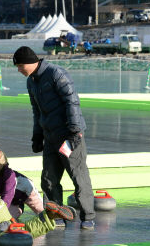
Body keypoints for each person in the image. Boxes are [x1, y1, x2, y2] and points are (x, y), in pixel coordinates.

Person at [13, 46, 96, 230]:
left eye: (19, 66)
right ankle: (56, 215)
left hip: (69, 136)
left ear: (30, 62)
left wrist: (74, 132)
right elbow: (37, 111)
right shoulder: (31, 81)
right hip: (50, 136)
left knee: (78, 176)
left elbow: (72, 101)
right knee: (49, 178)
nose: (19, 70)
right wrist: (37, 135)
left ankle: (87, 216)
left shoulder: (57, 74)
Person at [0, 147, 44, 220]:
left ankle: (55, 217)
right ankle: (19, 208)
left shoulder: (8, 175)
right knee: (6, 219)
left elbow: (7, 196)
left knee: (42, 212)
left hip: (27, 191)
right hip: (13, 199)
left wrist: (0, 210)